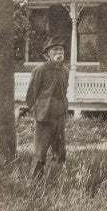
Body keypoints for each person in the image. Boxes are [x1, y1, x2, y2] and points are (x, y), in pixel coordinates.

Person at [25, 36, 70, 177]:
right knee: (40, 152)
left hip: (60, 115)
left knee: (60, 151)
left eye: (61, 50)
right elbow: (31, 93)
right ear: (48, 53)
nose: (59, 53)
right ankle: (35, 182)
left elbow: (64, 91)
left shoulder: (65, 71)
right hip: (44, 116)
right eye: (55, 49)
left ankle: (54, 179)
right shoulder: (41, 70)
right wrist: (36, 111)